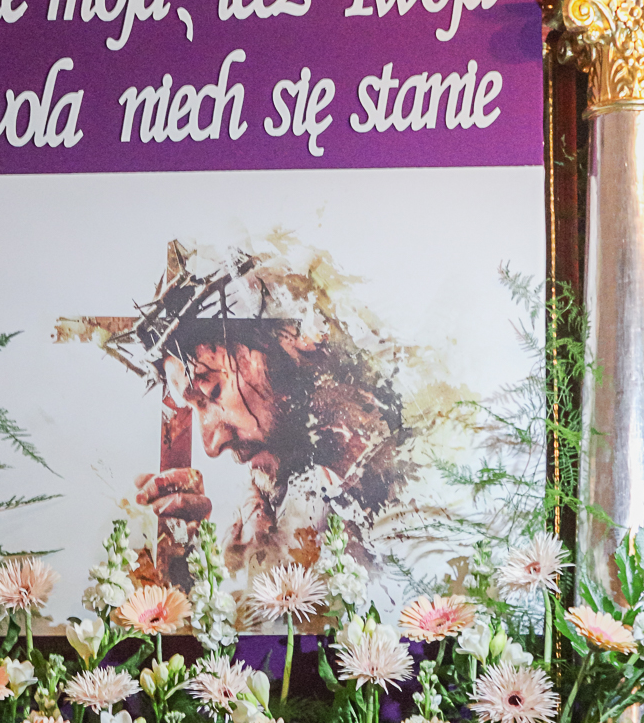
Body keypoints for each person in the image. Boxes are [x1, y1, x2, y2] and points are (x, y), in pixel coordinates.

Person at [110, 242, 417, 581]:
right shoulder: (270, 504)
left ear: (295, 336)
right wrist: (203, 571)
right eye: (193, 407)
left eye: (212, 391)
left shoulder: (419, 479)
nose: (211, 444)